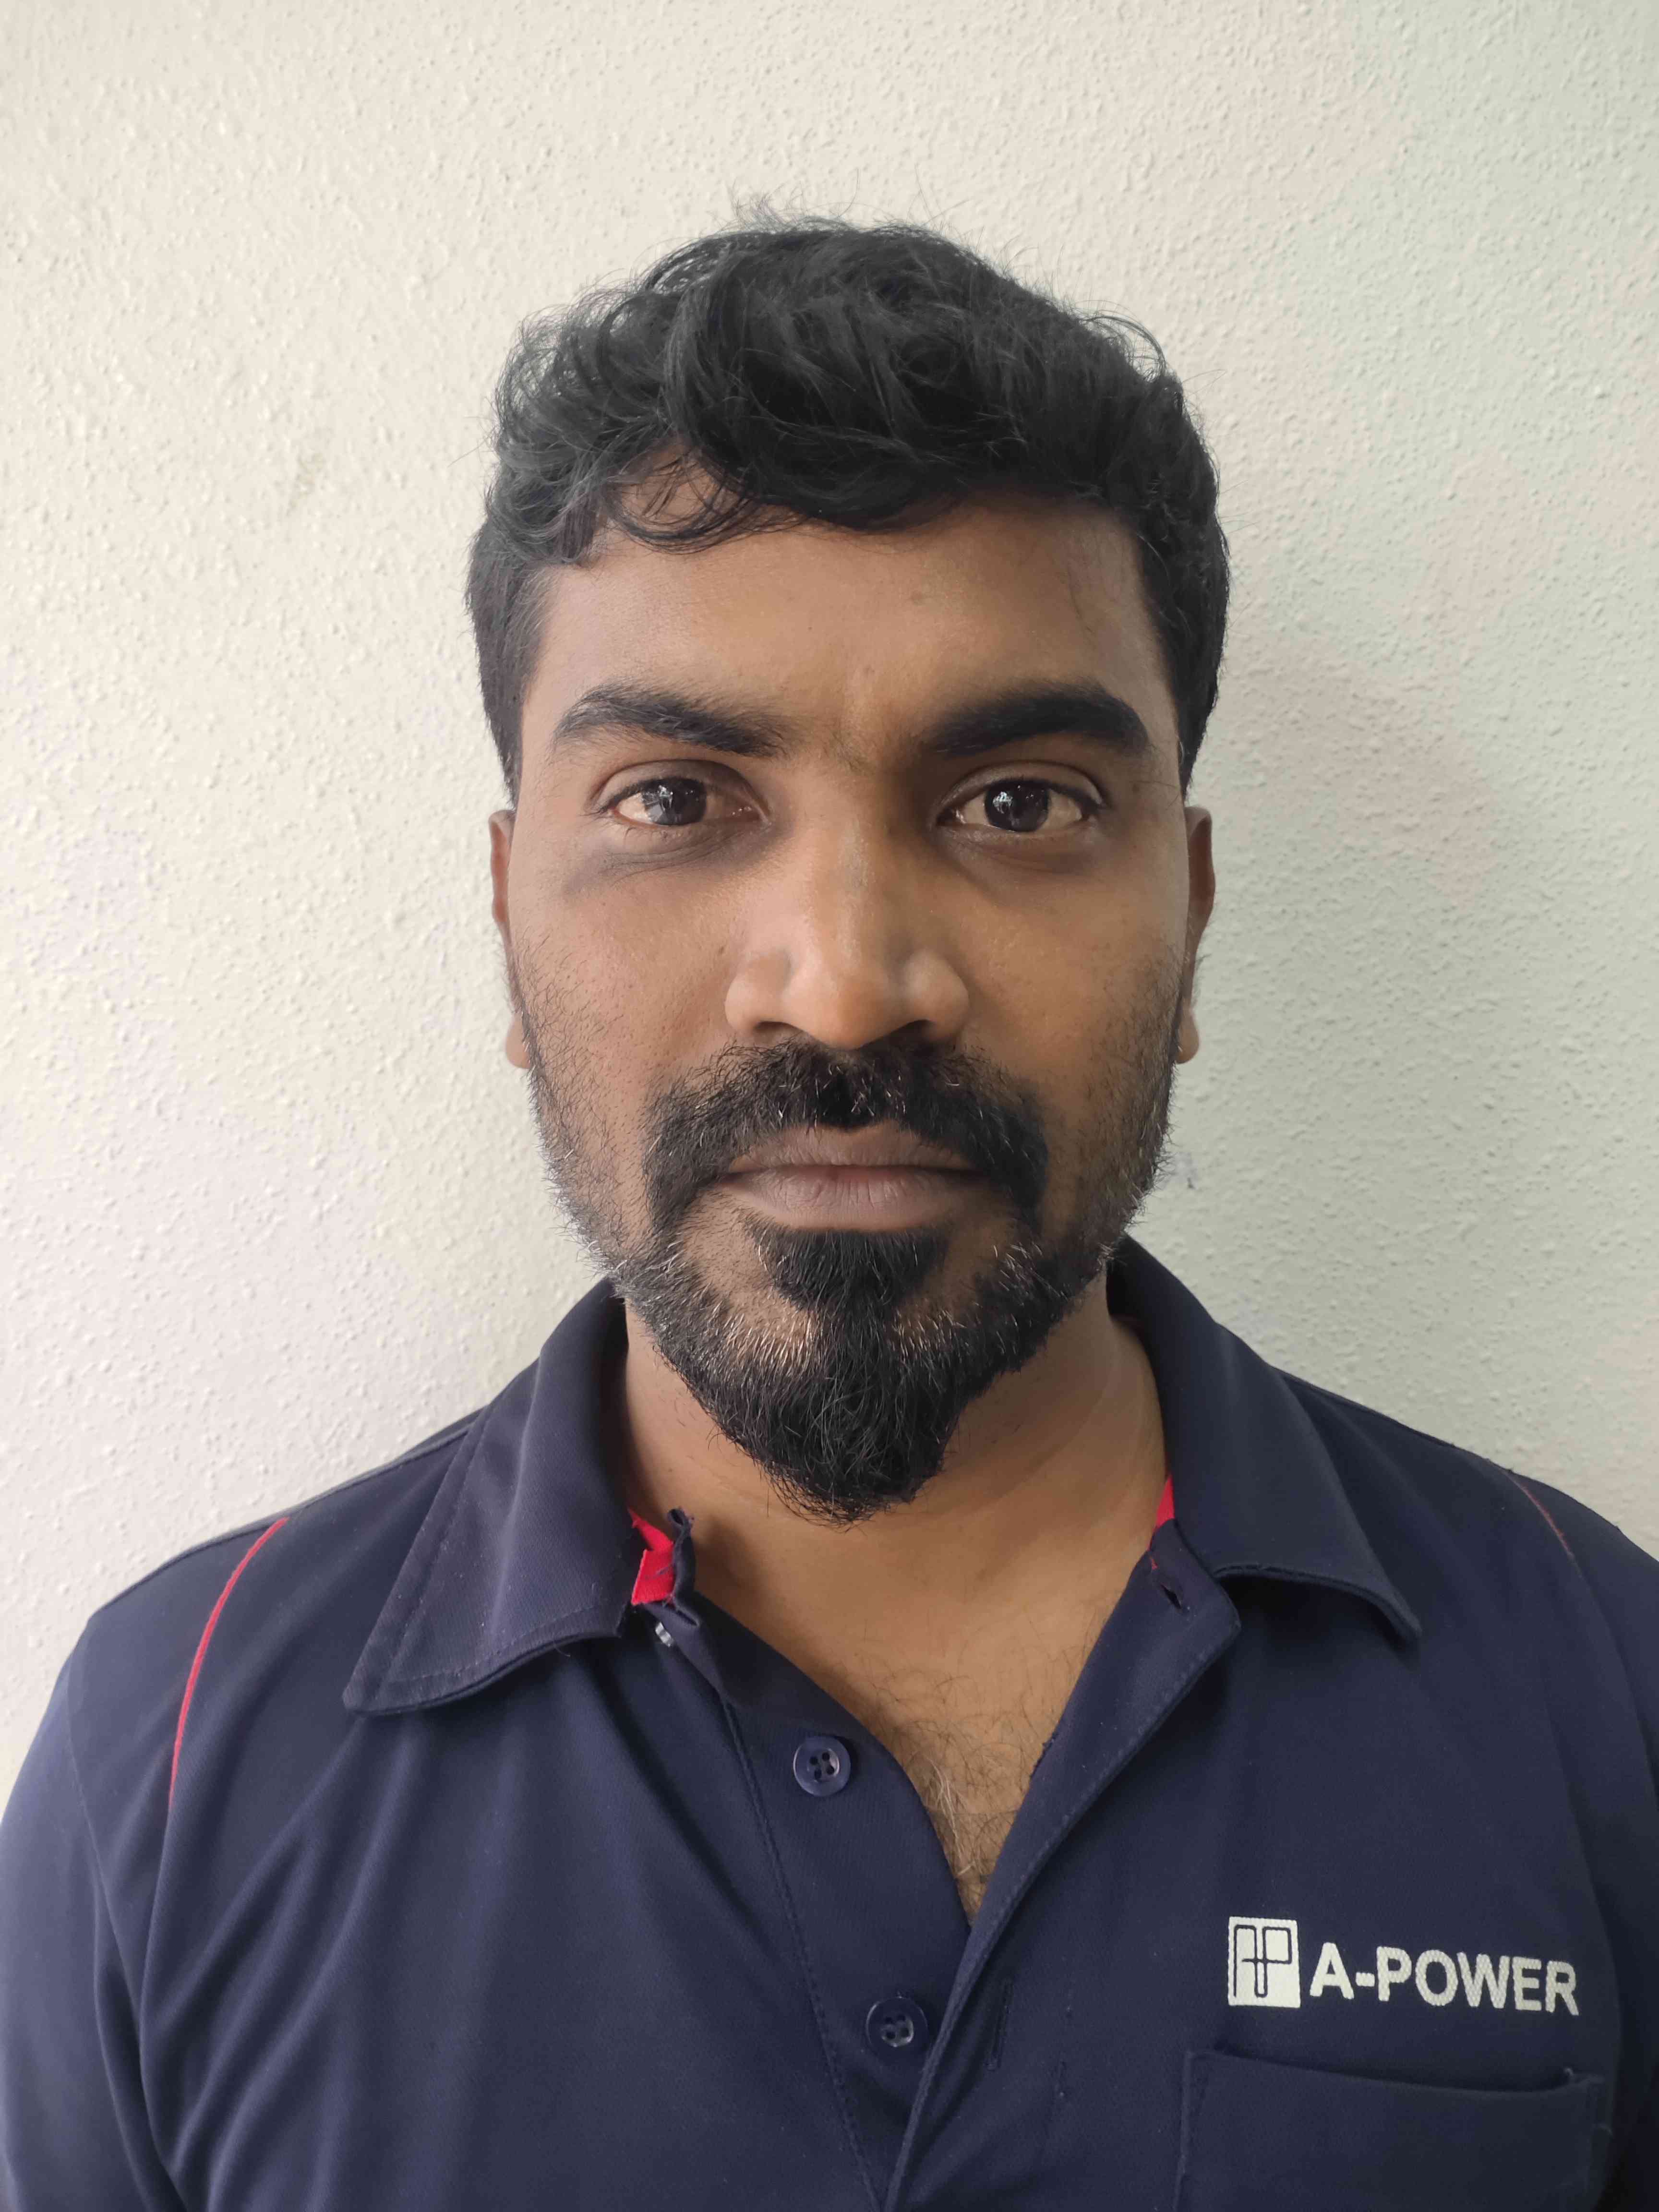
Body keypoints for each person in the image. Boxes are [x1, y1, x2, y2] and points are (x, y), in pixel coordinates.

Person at [2, 202, 1654, 2212]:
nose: (849, 985)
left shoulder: (1600, 1686)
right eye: (676, 800)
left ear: (1193, 915)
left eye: (1019, 802)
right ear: (508, 912)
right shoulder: (174, 1754)